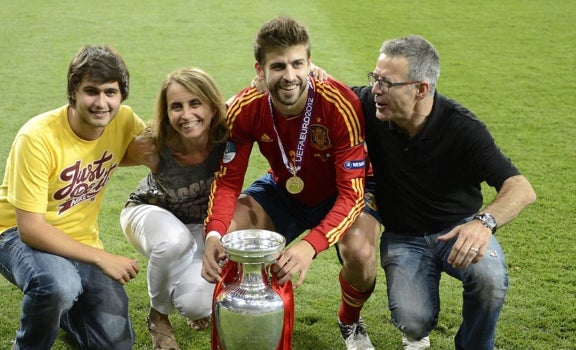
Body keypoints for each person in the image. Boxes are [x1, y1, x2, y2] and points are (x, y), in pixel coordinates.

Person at [201, 16, 381, 350]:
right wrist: (214, 232)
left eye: (298, 64)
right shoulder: (245, 106)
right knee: (229, 238)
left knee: (360, 251)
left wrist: (309, 245)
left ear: (310, 64)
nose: (289, 76)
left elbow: (351, 196)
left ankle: (350, 319)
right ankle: (248, 324)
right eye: (278, 66)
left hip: (343, 193)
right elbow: (227, 183)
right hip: (284, 188)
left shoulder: (340, 104)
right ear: (260, 69)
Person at [350, 35, 537, 349]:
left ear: (421, 89)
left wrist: (484, 223)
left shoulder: (463, 128)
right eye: (375, 79)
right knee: (412, 322)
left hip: (460, 229)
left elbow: (521, 188)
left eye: (387, 83)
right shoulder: (371, 104)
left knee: (489, 281)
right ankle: (418, 323)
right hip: (404, 237)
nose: (376, 90)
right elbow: (323, 89)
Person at [0, 45, 148, 350]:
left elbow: (165, 145)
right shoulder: (36, 138)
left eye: (110, 92)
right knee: (58, 284)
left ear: (122, 94)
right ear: (73, 91)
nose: (101, 103)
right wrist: (101, 257)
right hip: (14, 235)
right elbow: (30, 228)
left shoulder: (123, 121)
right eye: (91, 91)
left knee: (115, 344)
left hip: (79, 242)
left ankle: (65, 312)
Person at [120, 67, 229, 350]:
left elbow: (254, 98)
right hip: (147, 213)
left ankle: (188, 302)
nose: (186, 114)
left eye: (195, 103)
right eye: (176, 107)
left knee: (197, 304)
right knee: (173, 242)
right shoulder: (153, 143)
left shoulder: (226, 132)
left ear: (212, 106)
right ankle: (159, 317)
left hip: (201, 226)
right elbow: (102, 154)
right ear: (166, 112)